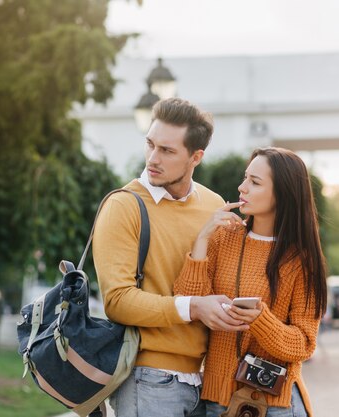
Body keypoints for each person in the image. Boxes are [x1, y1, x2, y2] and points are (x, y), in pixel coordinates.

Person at [93, 97, 248, 417]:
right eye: (150, 145)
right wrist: (193, 307)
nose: (153, 158)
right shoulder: (123, 205)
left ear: (196, 156)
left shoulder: (213, 204)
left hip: (204, 382)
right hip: (145, 379)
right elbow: (117, 300)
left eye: (167, 150)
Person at [175, 147, 327, 417]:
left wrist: (260, 319)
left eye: (255, 182)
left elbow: (303, 344)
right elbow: (189, 302)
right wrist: (202, 240)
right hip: (218, 400)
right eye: (246, 178)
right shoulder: (224, 238)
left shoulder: (302, 260)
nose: (242, 187)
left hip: (273, 404)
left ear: (283, 193)